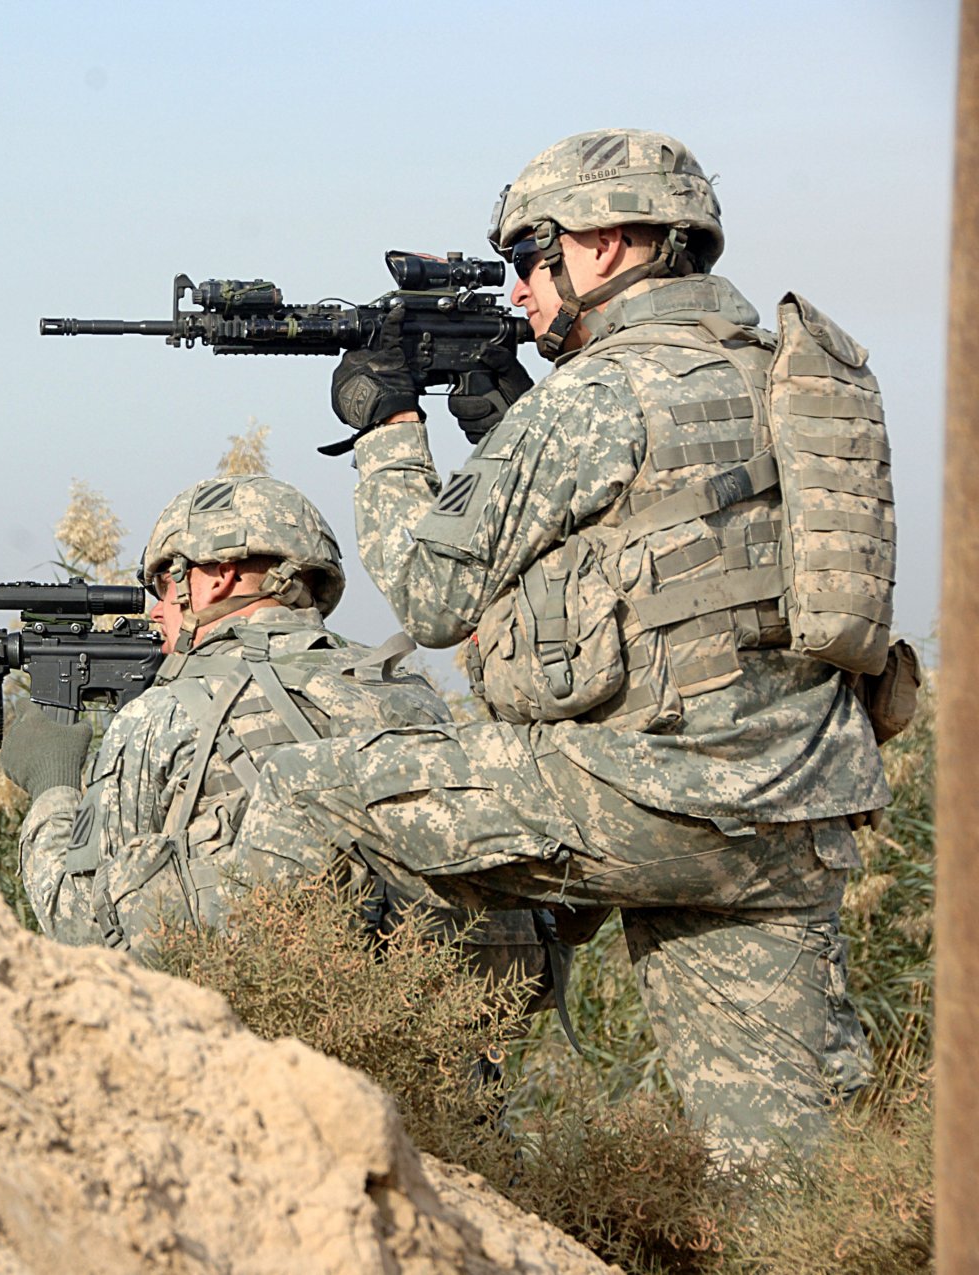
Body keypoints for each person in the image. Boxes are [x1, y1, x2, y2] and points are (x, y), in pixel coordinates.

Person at [232, 129, 892, 1164]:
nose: (519, 291)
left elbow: (429, 591)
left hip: (648, 793)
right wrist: (508, 418)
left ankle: (279, 1108)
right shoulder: (775, 373)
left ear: (612, 244)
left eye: (530, 259)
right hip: (791, 817)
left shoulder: (600, 395)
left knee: (297, 793)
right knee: (785, 1166)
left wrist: (389, 426)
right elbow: (655, 526)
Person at [0, 474, 557, 1000]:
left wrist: (50, 787)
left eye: (167, 581)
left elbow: (85, 930)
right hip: (434, 1058)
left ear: (216, 576)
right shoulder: (406, 691)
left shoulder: (161, 716)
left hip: (260, 1068)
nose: (157, 606)